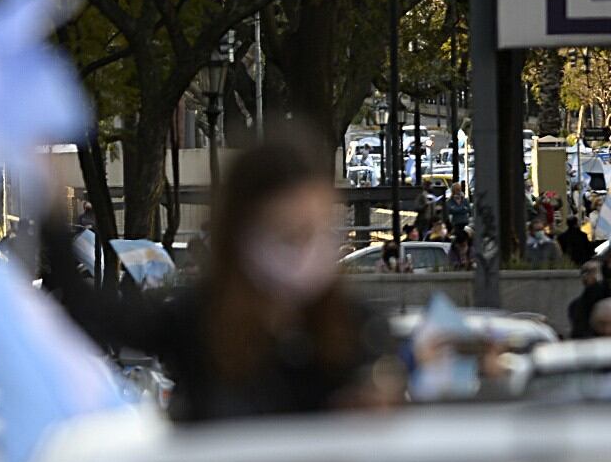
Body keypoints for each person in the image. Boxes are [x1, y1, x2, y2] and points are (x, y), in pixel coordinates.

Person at [51, 133, 397, 423]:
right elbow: (95, 315)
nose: (305, 251)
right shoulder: (196, 322)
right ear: (242, 233)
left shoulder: (356, 327)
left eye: (317, 231)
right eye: (286, 234)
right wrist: (50, 220)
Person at [568, 259, 606, 339]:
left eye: (592, 271)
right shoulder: (575, 305)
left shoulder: (605, 297)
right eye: (584, 272)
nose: (586, 275)